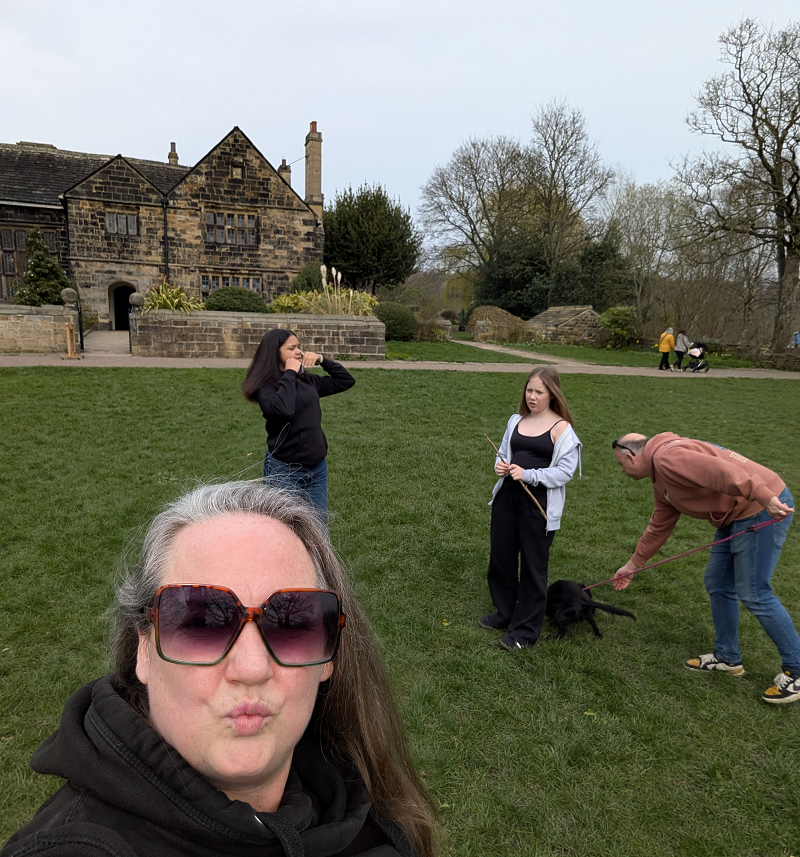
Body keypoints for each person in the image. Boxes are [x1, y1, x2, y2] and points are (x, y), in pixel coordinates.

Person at [2, 482, 436, 857]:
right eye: (200, 621)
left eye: (293, 622)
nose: (250, 668)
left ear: (329, 656)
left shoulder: (368, 807)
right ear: (143, 650)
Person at [611, 433, 800, 704]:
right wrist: (632, 566)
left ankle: (797, 669)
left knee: (755, 592)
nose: (623, 470)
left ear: (631, 457)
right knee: (718, 583)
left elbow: (724, 471)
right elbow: (660, 523)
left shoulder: (668, 458)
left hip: (762, 507)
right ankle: (727, 657)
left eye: (621, 465)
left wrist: (765, 498)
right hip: (735, 515)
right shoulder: (659, 475)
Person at [480, 367, 582, 651]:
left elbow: (564, 472)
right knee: (501, 557)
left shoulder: (562, 429)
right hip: (507, 498)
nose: (533, 396)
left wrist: (529, 475)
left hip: (538, 505)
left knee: (533, 567)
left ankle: (524, 632)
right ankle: (505, 612)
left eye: (539, 391)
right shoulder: (516, 420)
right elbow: (503, 452)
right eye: (529, 390)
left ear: (553, 394)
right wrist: (500, 467)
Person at [242, 329, 355, 521]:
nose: (299, 352)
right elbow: (283, 409)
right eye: (292, 348)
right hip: (284, 470)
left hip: (317, 467)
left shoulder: (307, 380)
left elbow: (346, 381)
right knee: (285, 529)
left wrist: (322, 360)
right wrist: (290, 373)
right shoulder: (266, 386)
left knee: (317, 529)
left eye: (299, 347)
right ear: (274, 353)